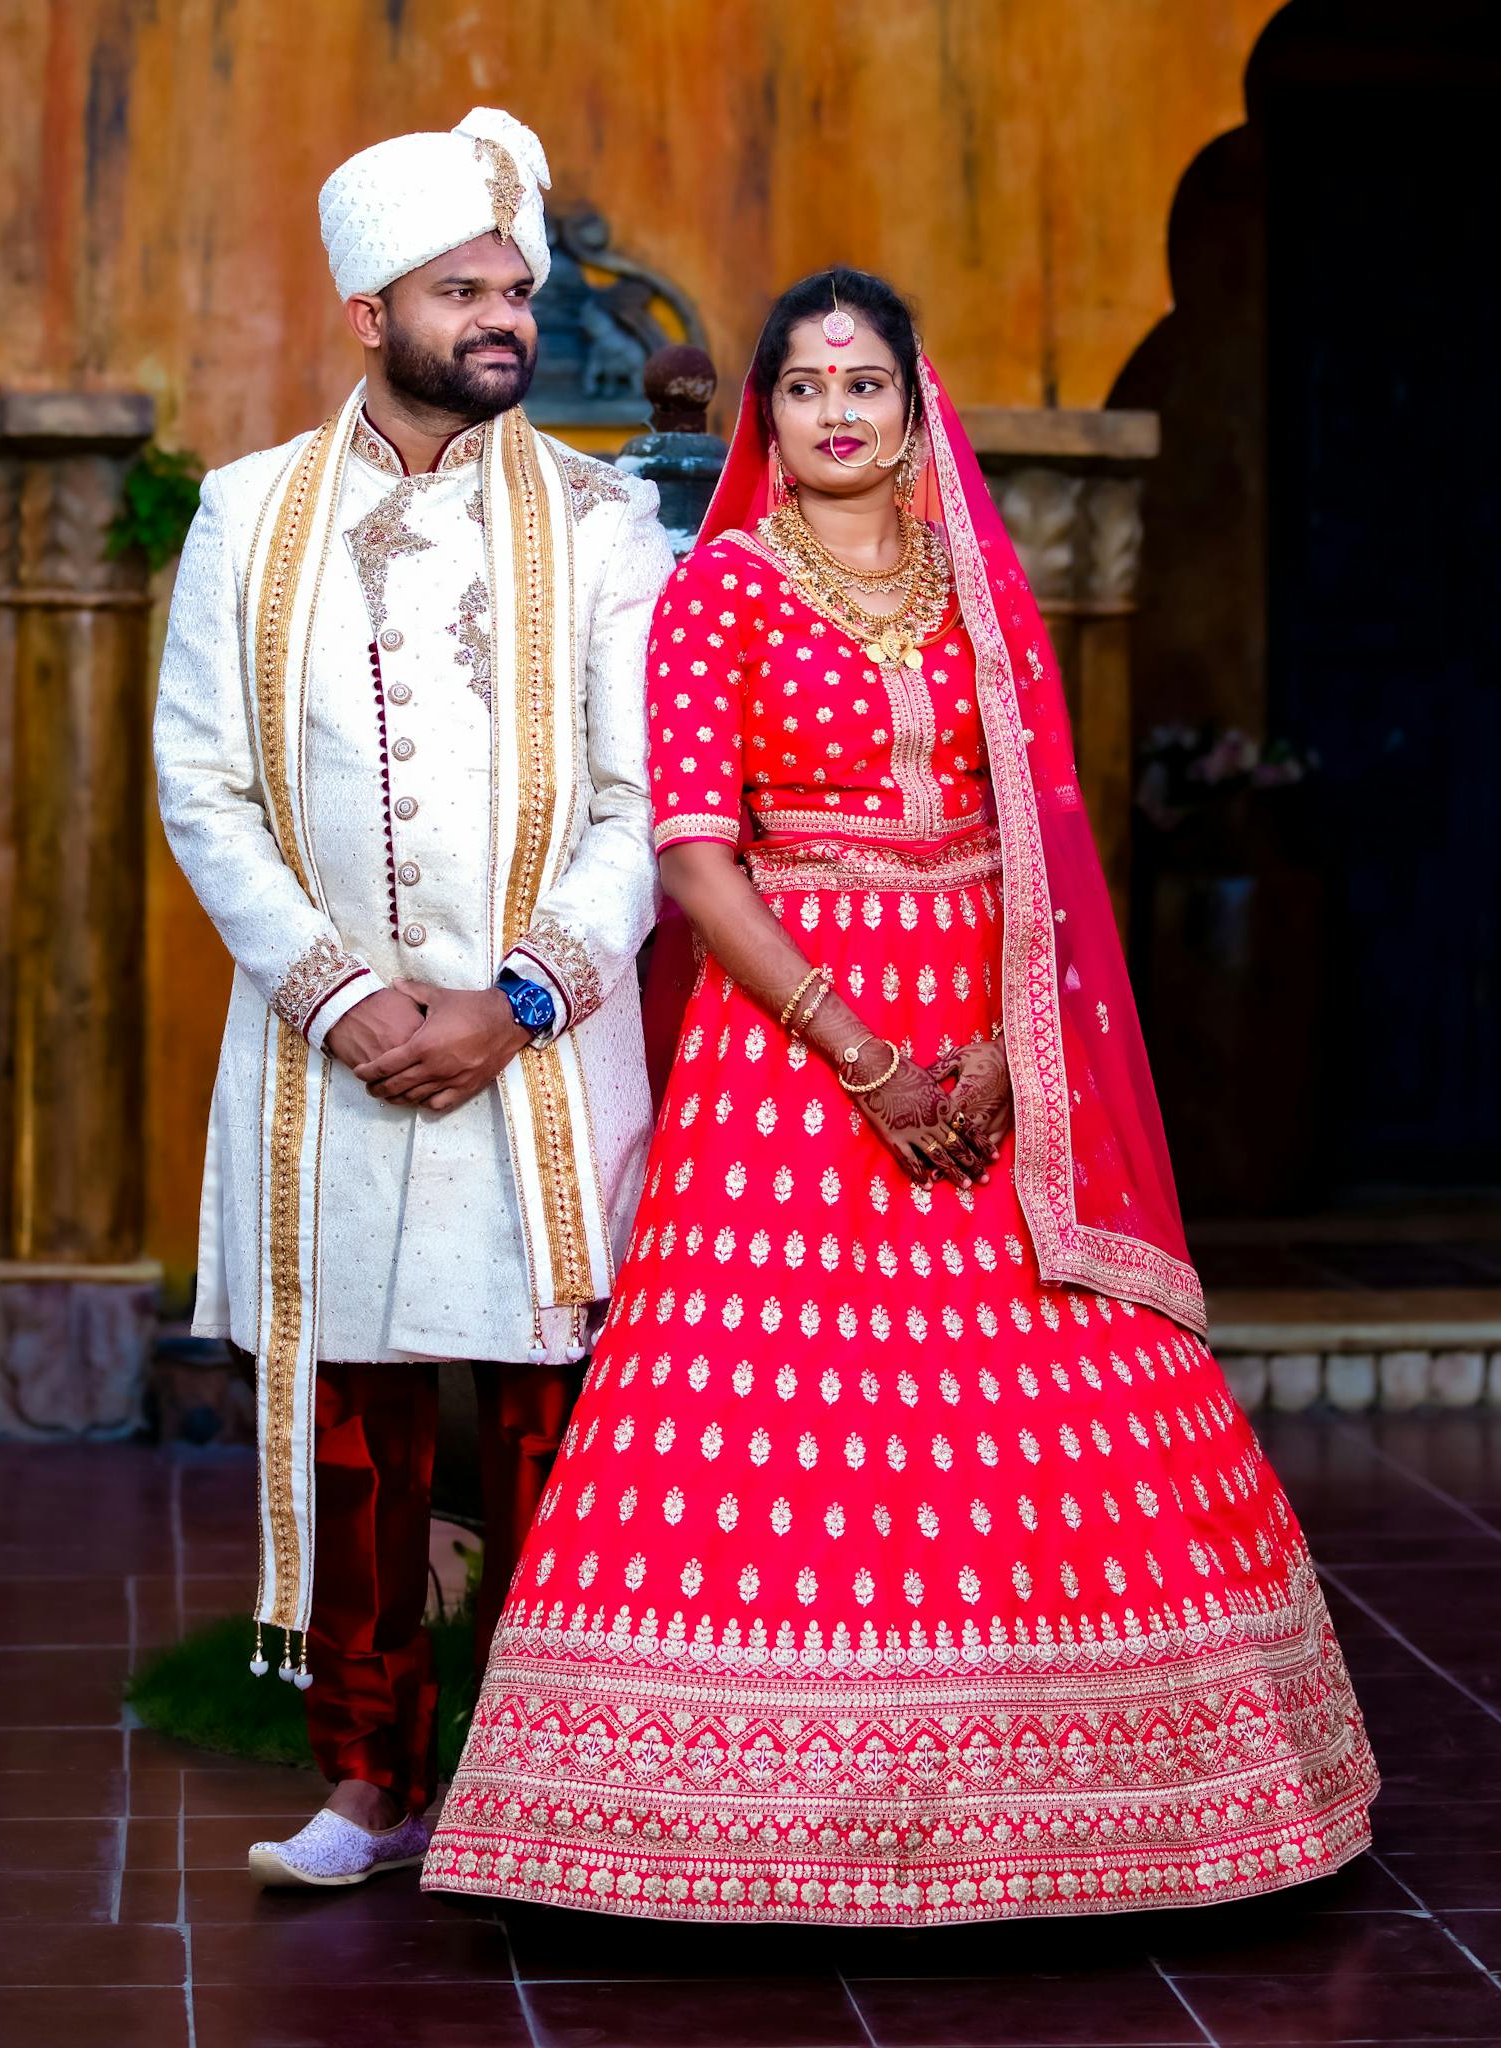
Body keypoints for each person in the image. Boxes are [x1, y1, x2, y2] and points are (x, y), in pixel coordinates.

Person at [422, 268, 1379, 1925]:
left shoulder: (971, 594)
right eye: (803, 386)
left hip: (988, 1030)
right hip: (787, 1041)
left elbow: (1037, 838)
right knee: (765, 1408)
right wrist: (858, 1052)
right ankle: (711, 1833)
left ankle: (1089, 1818)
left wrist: (1007, 1045)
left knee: (1051, 1394)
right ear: (766, 417)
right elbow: (696, 860)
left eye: (865, 382)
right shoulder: (715, 587)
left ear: (913, 404)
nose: (838, 412)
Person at [152, 108, 672, 1888]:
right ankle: (364, 1779)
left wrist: (519, 999)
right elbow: (203, 782)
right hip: (331, 1049)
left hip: (538, 1048)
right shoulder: (246, 514)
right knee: (357, 1426)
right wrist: (343, 996)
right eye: (465, 291)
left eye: (516, 289)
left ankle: (549, 1797)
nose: (504, 318)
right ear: (372, 310)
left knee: (549, 1426)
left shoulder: (611, 523)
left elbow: (638, 806)